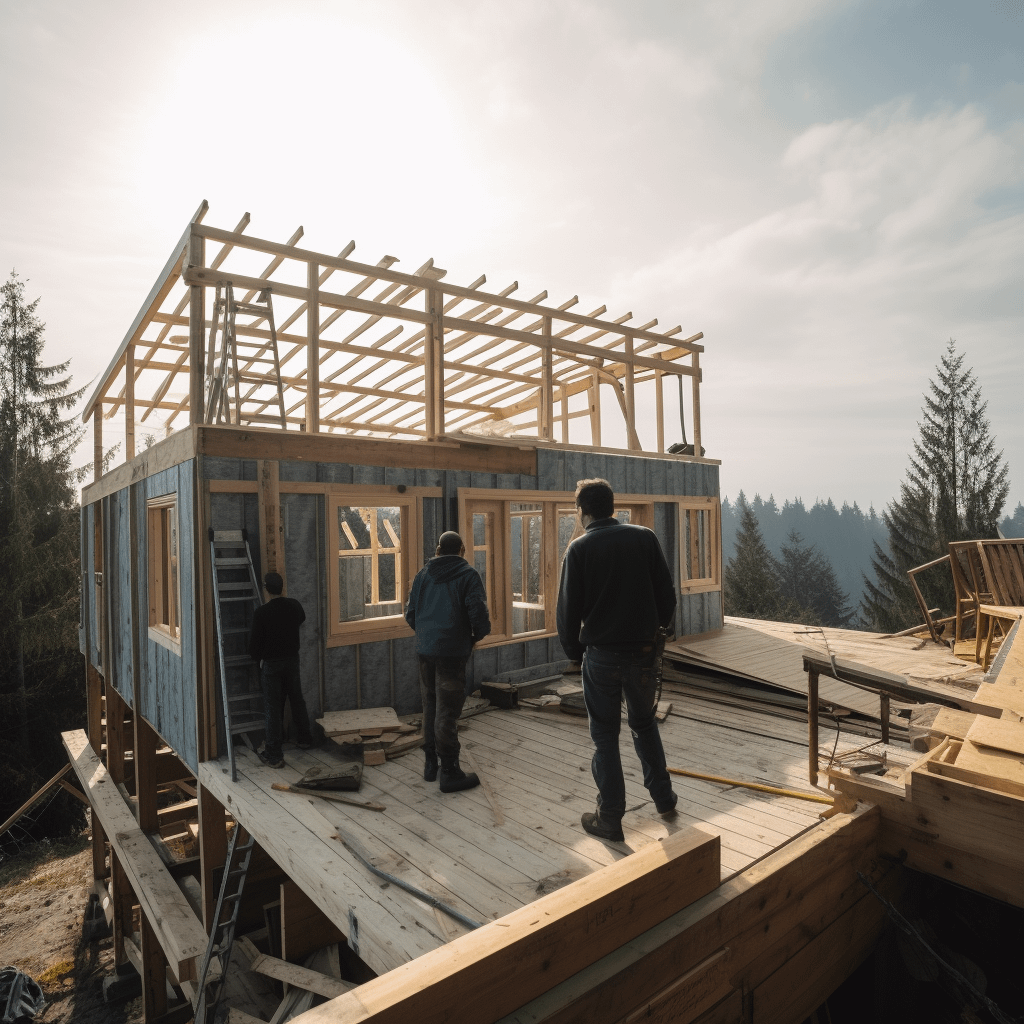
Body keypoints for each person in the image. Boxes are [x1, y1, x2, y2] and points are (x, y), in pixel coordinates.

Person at [556, 478, 678, 842]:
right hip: (643, 655)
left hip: (602, 658)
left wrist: (576, 655)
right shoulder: (644, 538)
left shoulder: (579, 550)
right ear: (612, 505)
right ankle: (664, 799)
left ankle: (609, 818)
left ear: (582, 511)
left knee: (605, 738)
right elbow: (667, 597)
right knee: (644, 726)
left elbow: (567, 613)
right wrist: (656, 634)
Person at [405, 531, 491, 793]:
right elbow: (477, 613)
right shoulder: (468, 575)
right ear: (462, 549)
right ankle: (451, 772)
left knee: (430, 704)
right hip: (452, 651)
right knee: (447, 712)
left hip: (425, 650)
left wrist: (426, 636)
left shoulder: (423, 575)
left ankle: (431, 765)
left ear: (438, 549)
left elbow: (410, 614)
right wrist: (476, 636)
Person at [248, 571, 313, 768]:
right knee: (296, 699)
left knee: (273, 708)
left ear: (266, 590)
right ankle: (305, 739)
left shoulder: (261, 613)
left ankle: (274, 755)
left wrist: (257, 657)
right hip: (292, 661)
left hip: (272, 665)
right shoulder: (294, 606)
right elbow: (301, 618)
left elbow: (254, 648)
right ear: (282, 587)